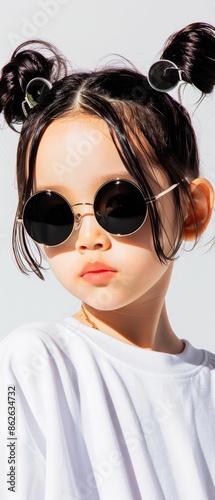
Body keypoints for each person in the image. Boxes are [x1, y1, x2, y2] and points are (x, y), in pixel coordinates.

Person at [0, 21, 215, 500]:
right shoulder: (36, 361)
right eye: (53, 214)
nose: (88, 238)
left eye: (119, 205)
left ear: (192, 211)